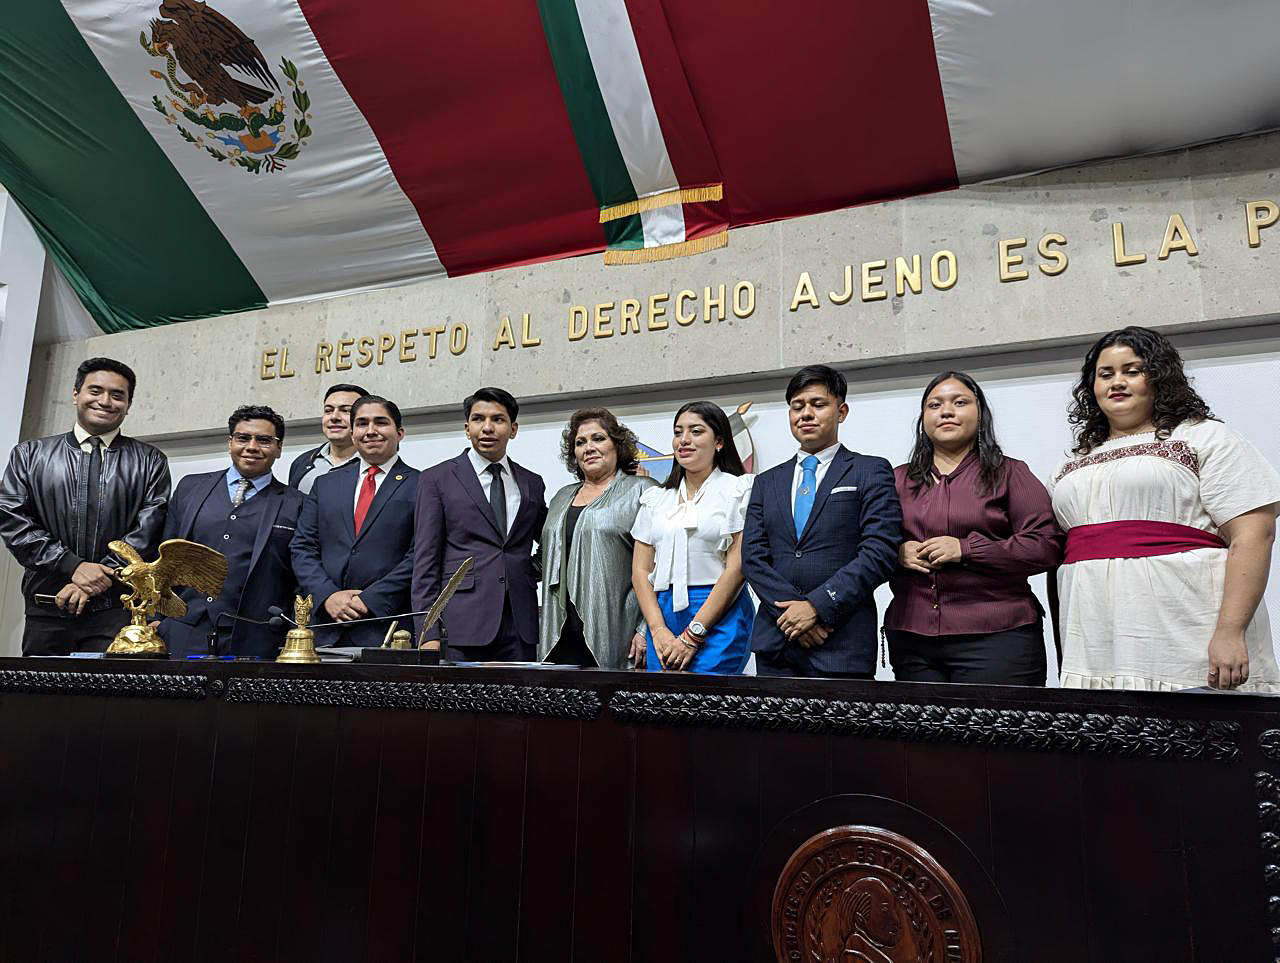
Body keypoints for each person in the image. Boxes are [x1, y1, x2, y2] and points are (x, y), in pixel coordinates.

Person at [1049, 325, 1280, 691]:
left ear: (1158, 377)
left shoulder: (1204, 437)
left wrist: (1230, 632)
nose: (1117, 382)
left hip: (1186, 630)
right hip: (1095, 635)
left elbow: (1254, 535)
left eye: (1132, 371)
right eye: (1105, 374)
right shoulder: (1073, 462)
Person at [883, 372, 1062, 685]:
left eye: (960, 402)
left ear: (980, 414)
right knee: (921, 735)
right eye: (934, 405)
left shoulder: (1010, 473)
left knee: (1001, 734)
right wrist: (896, 552)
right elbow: (866, 545)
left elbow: (1045, 545)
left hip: (999, 638)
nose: (946, 411)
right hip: (912, 639)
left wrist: (966, 549)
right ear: (923, 418)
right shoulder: (896, 479)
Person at [0, 357, 170, 655]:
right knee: (39, 698)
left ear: (128, 404)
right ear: (76, 393)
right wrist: (72, 565)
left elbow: (149, 528)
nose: (105, 401)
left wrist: (96, 578)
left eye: (117, 395)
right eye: (95, 391)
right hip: (47, 606)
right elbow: (12, 520)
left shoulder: (150, 461)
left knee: (109, 700)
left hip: (116, 611)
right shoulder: (29, 454)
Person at [742, 365, 900, 679]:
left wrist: (815, 607)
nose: (806, 414)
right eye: (797, 407)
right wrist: (792, 616)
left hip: (840, 640)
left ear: (841, 412)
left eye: (818, 404)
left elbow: (879, 553)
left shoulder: (870, 470)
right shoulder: (767, 481)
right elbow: (753, 558)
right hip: (777, 642)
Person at [156, 405, 303, 659]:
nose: (252, 446)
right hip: (185, 627)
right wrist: (157, 617)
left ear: (278, 448)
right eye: (243, 438)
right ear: (230, 442)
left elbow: (298, 574)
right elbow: (164, 558)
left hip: (257, 634)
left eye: (264, 440)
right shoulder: (191, 488)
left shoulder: (297, 503)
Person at [413, 387, 547, 661]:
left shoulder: (531, 482)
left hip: (519, 624)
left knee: (518, 702)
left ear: (513, 429)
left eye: (498, 419)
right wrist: (427, 632)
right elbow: (425, 561)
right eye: (478, 419)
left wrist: (525, 571)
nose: (487, 428)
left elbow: (550, 539)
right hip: (460, 622)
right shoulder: (437, 479)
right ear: (467, 428)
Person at [630, 401, 755, 673]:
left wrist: (693, 634)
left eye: (696, 431)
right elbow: (640, 571)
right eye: (678, 432)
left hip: (719, 612)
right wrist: (658, 629)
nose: (684, 440)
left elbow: (737, 567)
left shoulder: (738, 490)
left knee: (708, 707)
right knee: (660, 708)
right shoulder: (656, 498)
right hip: (662, 615)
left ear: (719, 441)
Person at [290, 395, 419, 646]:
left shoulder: (421, 484)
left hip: (386, 625)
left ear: (400, 432)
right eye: (361, 424)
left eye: (381, 423)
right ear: (352, 433)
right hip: (325, 626)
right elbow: (302, 547)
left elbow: (420, 554)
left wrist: (370, 599)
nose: (371, 431)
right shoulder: (325, 484)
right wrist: (327, 596)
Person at [539, 408, 656, 668]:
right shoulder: (561, 497)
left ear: (617, 445)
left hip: (619, 633)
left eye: (598, 438)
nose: (589, 447)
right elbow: (546, 558)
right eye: (580, 442)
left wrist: (645, 629)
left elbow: (659, 568)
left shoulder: (642, 490)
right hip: (558, 636)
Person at [287, 382, 369, 492]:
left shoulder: (375, 463)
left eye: (346, 410)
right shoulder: (303, 462)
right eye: (328, 410)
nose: (334, 417)